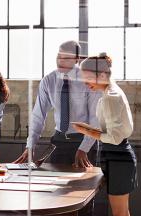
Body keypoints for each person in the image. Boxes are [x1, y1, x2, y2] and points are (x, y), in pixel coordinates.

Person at [73, 53, 137, 216]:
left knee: (121, 214)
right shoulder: (109, 93)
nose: (86, 84)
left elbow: (115, 138)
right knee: (121, 214)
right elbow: (110, 130)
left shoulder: (111, 96)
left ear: (100, 74)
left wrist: (87, 130)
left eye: (87, 79)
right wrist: (88, 128)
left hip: (119, 157)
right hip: (114, 156)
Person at [14, 40, 101, 168]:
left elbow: (95, 118)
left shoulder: (88, 80)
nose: (60, 61)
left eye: (66, 58)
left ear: (77, 59)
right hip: (59, 141)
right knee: (56, 184)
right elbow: (38, 115)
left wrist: (84, 148)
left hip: (84, 141)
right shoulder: (49, 80)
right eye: (59, 56)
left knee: (83, 186)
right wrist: (30, 145)